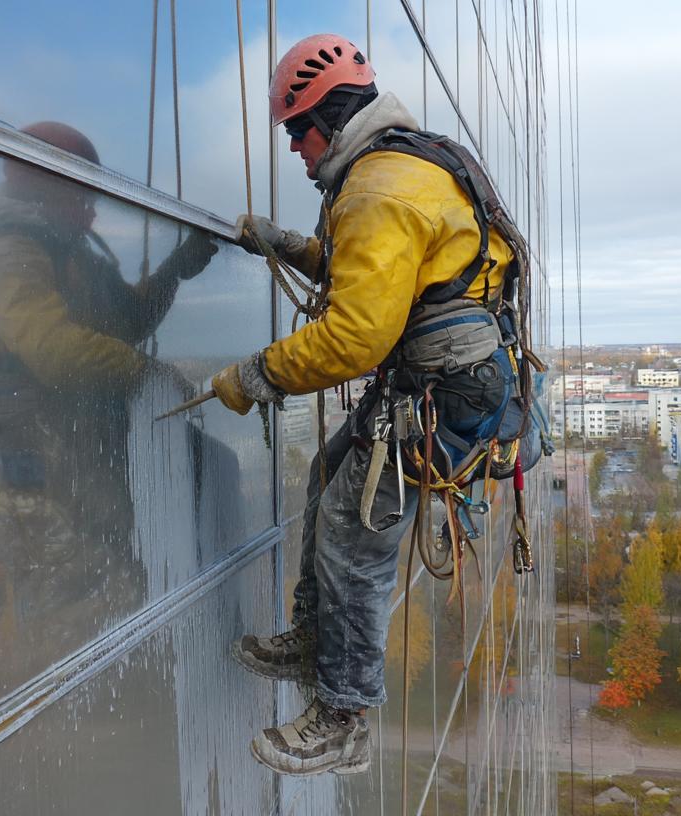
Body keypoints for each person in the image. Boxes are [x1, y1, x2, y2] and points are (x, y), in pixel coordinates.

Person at [213, 35, 523, 776]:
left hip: (441, 390)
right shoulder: (404, 163)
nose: (294, 149)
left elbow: (355, 334)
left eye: (296, 131)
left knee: (355, 538)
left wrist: (257, 375)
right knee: (330, 478)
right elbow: (378, 274)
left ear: (330, 114)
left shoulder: (379, 187)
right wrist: (290, 245)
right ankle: (318, 640)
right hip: (450, 381)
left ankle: (343, 717)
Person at [0, 121, 219, 670]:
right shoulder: (13, 258)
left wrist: (172, 272)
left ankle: (163, 673)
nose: (94, 211)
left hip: (81, 453)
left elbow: (123, 319)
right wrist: (146, 375)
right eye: (83, 195)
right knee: (94, 604)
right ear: (49, 190)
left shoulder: (68, 256)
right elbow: (52, 348)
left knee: (139, 558)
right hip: (40, 470)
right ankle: (120, 713)